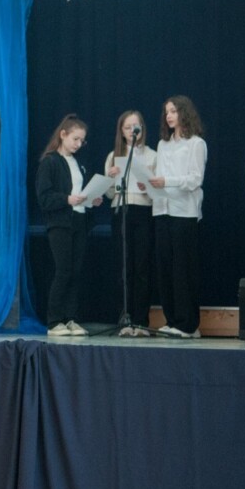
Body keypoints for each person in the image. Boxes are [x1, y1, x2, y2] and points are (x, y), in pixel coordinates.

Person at [35, 114, 102, 337]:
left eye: (82, 140)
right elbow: (44, 197)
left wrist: (91, 200)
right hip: (60, 223)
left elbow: (80, 193)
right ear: (63, 135)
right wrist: (67, 199)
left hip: (79, 220)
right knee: (63, 270)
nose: (78, 144)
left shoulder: (78, 163)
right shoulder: (50, 162)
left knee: (75, 271)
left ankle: (70, 318)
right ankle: (54, 321)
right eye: (75, 139)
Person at [148, 95, 208, 338]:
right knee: (165, 268)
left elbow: (195, 179)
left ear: (184, 113)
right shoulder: (163, 144)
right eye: (166, 112)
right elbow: (159, 176)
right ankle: (172, 319)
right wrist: (149, 185)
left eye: (173, 111)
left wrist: (167, 181)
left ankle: (188, 324)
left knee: (183, 270)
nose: (169, 116)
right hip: (162, 209)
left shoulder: (196, 143)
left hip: (184, 212)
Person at [104, 110, 157, 337]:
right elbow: (109, 193)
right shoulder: (113, 155)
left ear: (142, 128)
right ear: (122, 131)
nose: (132, 131)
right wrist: (111, 177)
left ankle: (141, 321)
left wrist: (149, 187)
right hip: (121, 210)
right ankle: (124, 319)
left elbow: (158, 193)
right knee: (124, 267)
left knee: (142, 266)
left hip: (143, 210)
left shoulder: (153, 155)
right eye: (127, 127)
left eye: (136, 126)